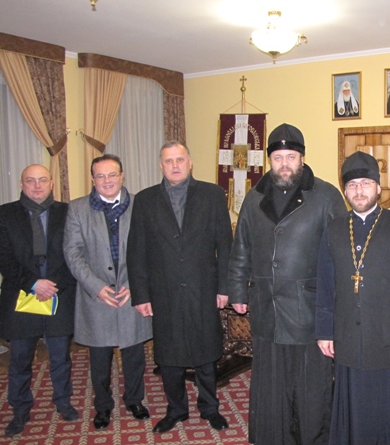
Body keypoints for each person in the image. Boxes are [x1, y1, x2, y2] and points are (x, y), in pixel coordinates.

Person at [228, 123, 347, 445]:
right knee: (272, 386)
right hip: (267, 307)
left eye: (291, 157)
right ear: (269, 160)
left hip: (309, 309)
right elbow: (241, 248)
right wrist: (237, 289)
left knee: (311, 387)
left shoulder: (325, 196)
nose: (284, 164)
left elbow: (342, 254)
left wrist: (339, 304)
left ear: (302, 158)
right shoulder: (254, 198)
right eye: (278, 157)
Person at [127, 141, 233, 434]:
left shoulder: (213, 194)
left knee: (206, 353)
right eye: (168, 161)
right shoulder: (145, 200)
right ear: (160, 165)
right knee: (169, 356)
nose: (175, 165)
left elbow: (225, 245)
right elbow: (136, 251)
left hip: (203, 288)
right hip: (164, 291)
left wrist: (224, 287)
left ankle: (210, 408)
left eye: (180, 159)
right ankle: (176, 409)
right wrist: (141, 295)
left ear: (190, 162)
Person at [316, 151, 390, 444]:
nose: (358, 190)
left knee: (386, 408)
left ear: (378, 187)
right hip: (347, 335)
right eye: (352, 185)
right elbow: (325, 282)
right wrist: (324, 330)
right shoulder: (334, 228)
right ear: (345, 191)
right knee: (350, 406)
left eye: (365, 184)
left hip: (387, 338)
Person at [64, 154, 153, 430]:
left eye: (112, 174)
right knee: (99, 358)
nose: (107, 180)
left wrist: (136, 285)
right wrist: (95, 286)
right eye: (100, 176)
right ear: (93, 179)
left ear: (122, 176)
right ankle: (103, 406)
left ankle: (134, 399)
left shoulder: (140, 204)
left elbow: (152, 248)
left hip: (131, 291)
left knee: (134, 354)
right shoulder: (77, 209)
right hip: (96, 295)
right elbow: (73, 253)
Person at [0, 164, 78, 437]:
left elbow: (75, 254)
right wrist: (34, 284)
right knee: (20, 359)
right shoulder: (5, 214)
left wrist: (53, 285)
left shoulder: (68, 212)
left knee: (60, 356)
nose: (37, 185)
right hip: (21, 296)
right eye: (30, 181)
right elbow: (4, 258)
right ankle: (20, 409)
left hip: (59, 294)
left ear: (51, 183)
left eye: (42, 180)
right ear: (21, 184)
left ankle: (63, 402)